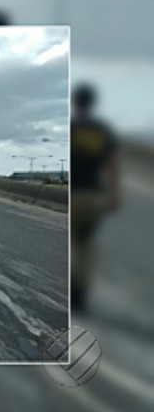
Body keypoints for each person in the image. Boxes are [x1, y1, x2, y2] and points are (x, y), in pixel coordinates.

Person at [70, 83, 119, 311]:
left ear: (75, 102)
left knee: (73, 243)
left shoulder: (72, 127)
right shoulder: (102, 130)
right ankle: (82, 291)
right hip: (94, 194)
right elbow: (112, 164)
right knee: (86, 244)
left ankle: (74, 287)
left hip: (76, 194)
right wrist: (114, 194)